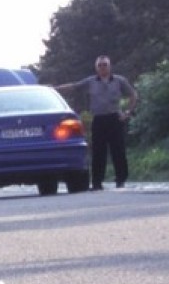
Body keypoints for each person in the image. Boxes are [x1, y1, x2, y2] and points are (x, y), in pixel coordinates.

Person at [54, 56, 138, 190]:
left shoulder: (119, 81)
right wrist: (55, 89)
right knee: (98, 152)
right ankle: (97, 182)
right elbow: (74, 86)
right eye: (100, 65)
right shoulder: (90, 81)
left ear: (110, 66)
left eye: (105, 65)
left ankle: (120, 179)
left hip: (115, 118)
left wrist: (127, 112)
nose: (103, 68)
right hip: (99, 119)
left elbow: (133, 95)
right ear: (96, 67)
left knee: (118, 151)